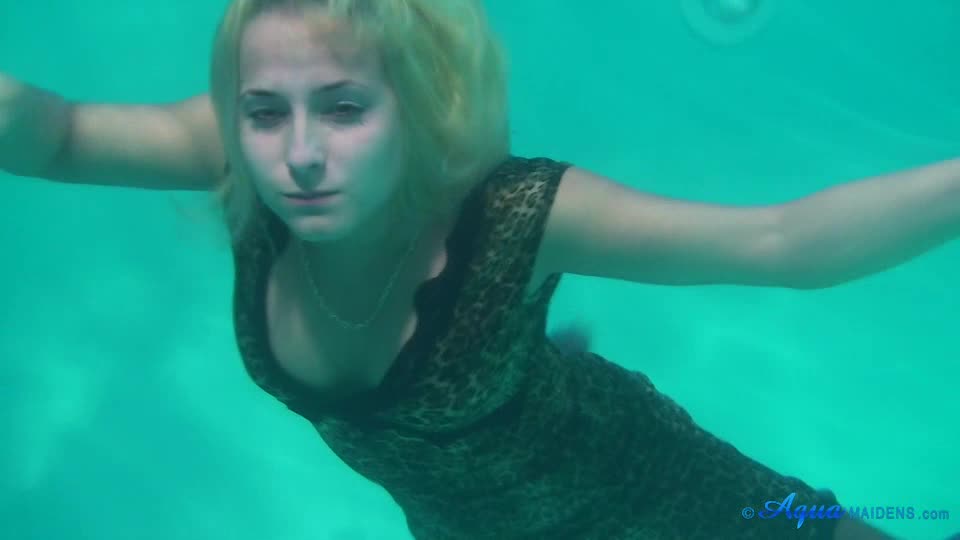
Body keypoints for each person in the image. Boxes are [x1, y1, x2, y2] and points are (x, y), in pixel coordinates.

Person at [1, 1, 957, 538]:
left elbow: (782, 243)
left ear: (414, 104)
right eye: (263, 111)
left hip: (637, 488)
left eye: (344, 107)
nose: (299, 154)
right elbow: (56, 135)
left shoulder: (509, 215)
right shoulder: (246, 168)